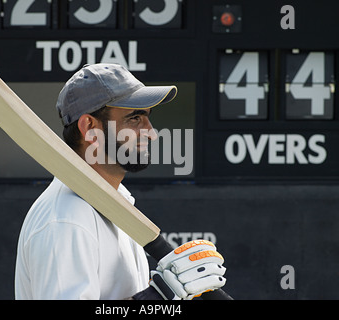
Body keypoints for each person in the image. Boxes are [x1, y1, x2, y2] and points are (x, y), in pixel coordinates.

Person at [14, 63, 227, 300]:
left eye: (147, 117)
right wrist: (158, 297)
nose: (151, 132)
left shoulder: (117, 201)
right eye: (134, 118)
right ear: (89, 127)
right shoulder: (67, 218)